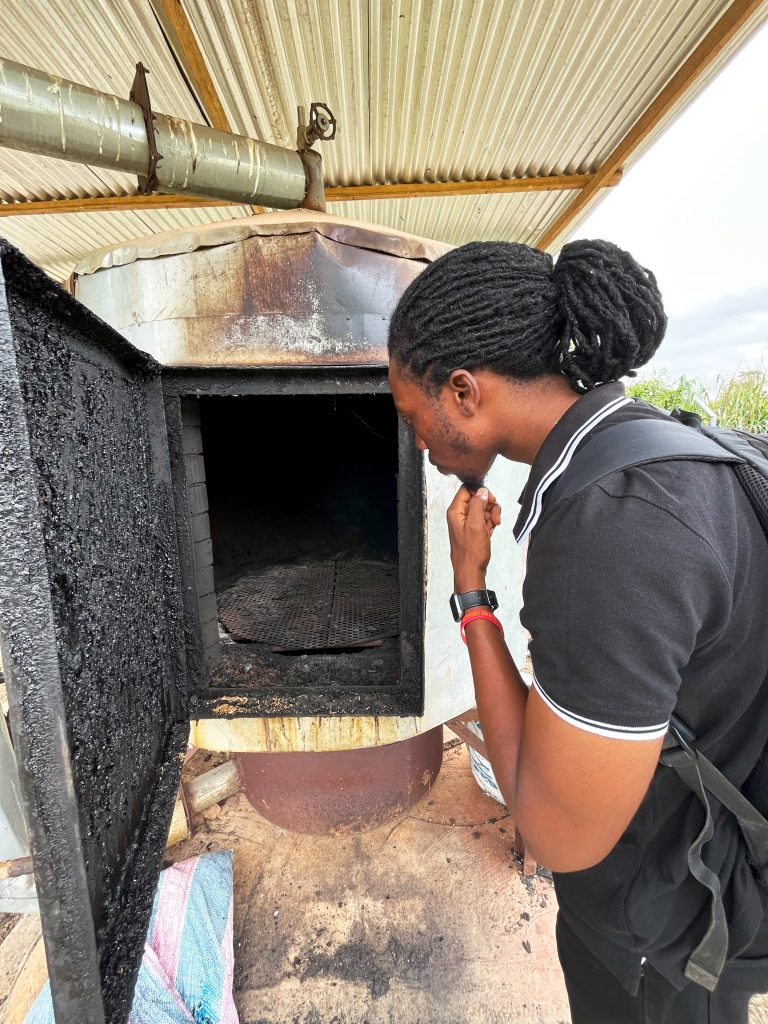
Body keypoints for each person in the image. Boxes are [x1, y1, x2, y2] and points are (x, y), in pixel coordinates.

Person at [387, 239, 768, 1023]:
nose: (417, 441)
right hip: (716, 871)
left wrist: (474, 599)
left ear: (462, 391)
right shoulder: (678, 448)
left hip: (669, 935)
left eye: (410, 414)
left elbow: (558, 838)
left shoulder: (613, 533)